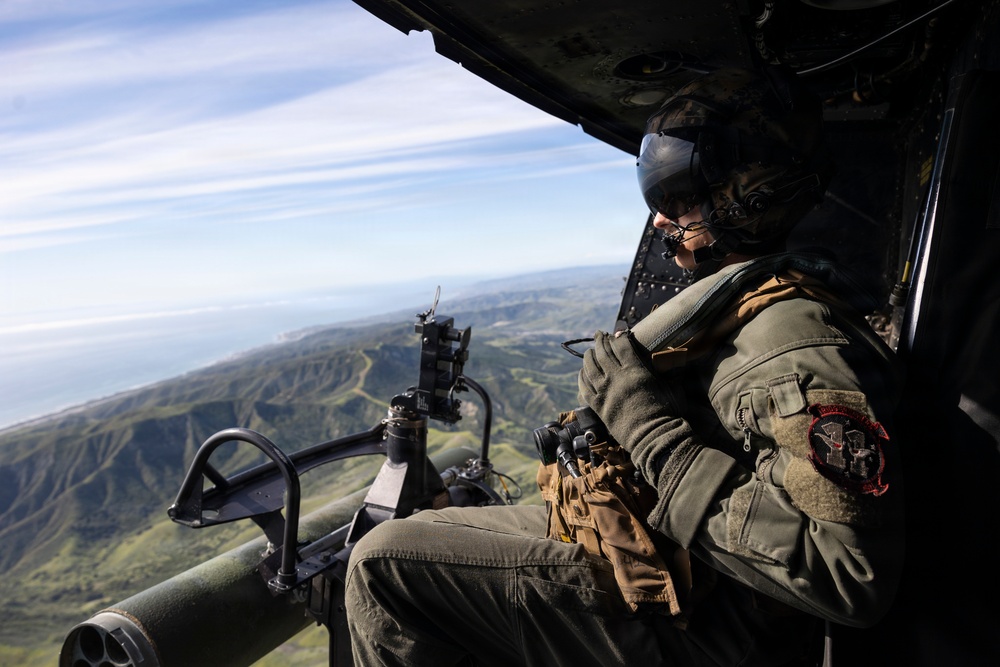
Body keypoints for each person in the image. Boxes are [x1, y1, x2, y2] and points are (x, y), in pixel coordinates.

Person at [344, 67, 903, 666]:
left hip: (717, 625)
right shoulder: (745, 304)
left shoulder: (791, 345)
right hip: (674, 559)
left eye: (679, 197)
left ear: (751, 196)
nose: (661, 219)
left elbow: (849, 577)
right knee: (428, 533)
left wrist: (651, 431)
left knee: (383, 567)